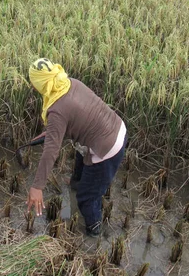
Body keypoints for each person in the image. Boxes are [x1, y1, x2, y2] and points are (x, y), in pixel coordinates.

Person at [27, 58, 127, 237]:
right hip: (117, 128)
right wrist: (50, 132)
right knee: (79, 174)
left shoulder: (57, 111)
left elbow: (51, 152)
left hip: (107, 148)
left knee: (86, 198)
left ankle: (93, 231)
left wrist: (37, 187)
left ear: (40, 84)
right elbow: (76, 116)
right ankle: (76, 189)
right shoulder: (70, 83)